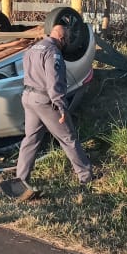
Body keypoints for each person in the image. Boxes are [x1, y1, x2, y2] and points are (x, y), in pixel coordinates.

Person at [7, 22, 93, 202]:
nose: (67, 43)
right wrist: (60, 106)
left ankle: (21, 180)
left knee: (31, 139)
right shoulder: (53, 53)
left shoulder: (32, 48)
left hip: (28, 97)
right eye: (67, 40)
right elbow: (54, 82)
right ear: (62, 38)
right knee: (68, 138)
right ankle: (86, 177)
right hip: (45, 100)